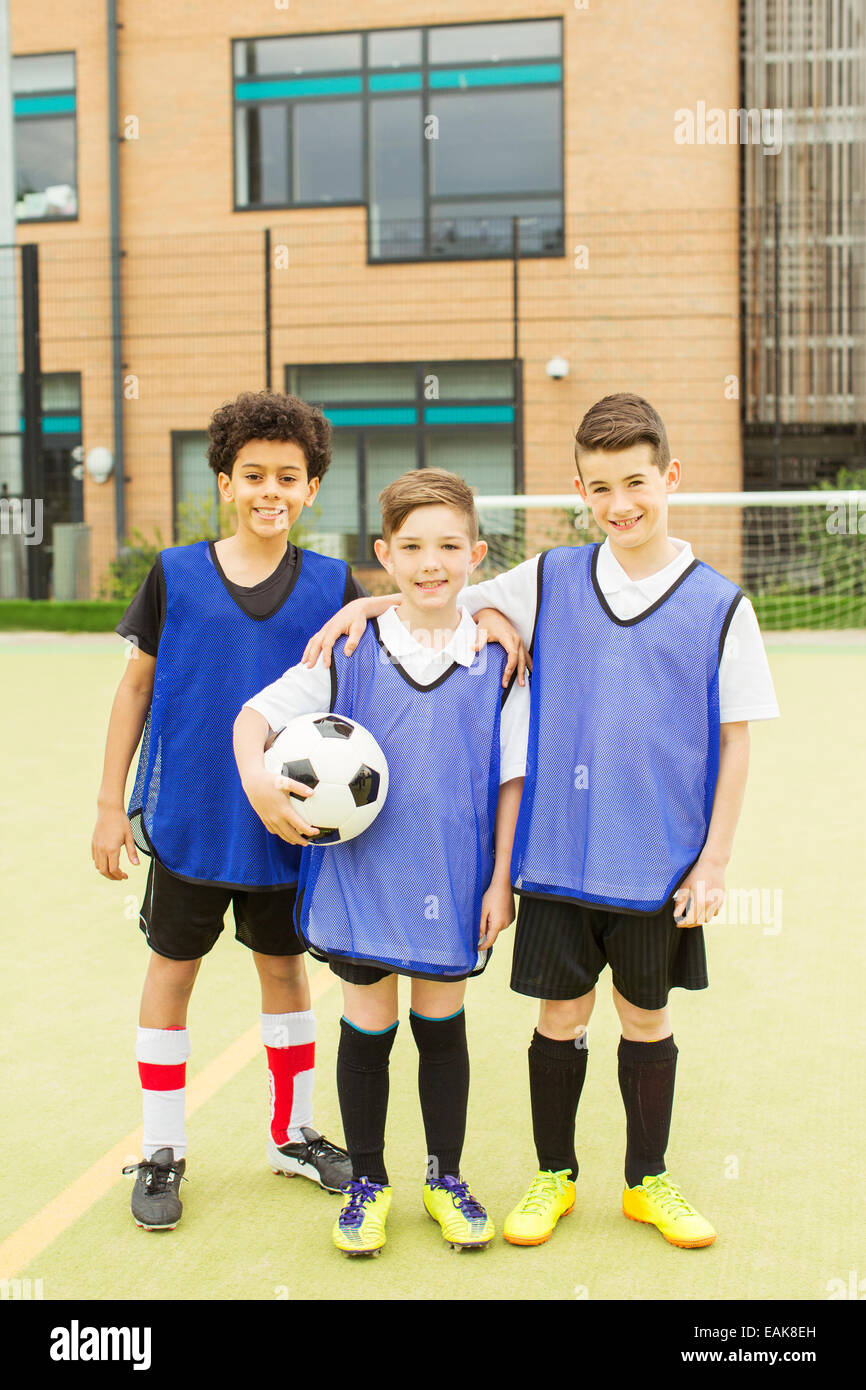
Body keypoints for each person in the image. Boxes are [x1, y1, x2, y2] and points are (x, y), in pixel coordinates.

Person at [301, 393, 780, 1251]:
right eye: (600, 488)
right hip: (556, 861)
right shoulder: (549, 578)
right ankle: (552, 1177)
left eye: (635, 482)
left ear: (670, 477)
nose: (620, 504)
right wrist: (365, 609)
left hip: (657, 864)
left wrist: (713, 863)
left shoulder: (720, 606)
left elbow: (735, 745)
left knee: (646, 1019)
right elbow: (437, 592)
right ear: (579, 491)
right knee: (558, 1021)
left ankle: (648, 1182)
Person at [234, 469, 528, 1256]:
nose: (431, 563)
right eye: (411, 548)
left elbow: (510, 779)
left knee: (442, 1026)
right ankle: (367, 1182)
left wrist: (501, 878)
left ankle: (445, 1178)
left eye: (447, 547)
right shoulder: (351, 647)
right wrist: (259, 784)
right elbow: (255, 716)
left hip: (454, 879)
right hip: (364, 879)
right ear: (384, 555)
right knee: (367, 1027)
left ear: (477, 554)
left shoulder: (498, 658)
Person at [91, 390, 361, 1231]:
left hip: (287, 827)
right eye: (253, 474)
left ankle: (293, 1135)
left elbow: (366, 676)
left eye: (289, 475)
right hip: (192, 821)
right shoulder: (175, 574)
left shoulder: (333, 584)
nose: (270, 489)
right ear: (225, 482)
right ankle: (163, 1146)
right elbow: (135, 687)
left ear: (312, 488)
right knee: (173, 971)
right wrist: (109, 806)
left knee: (285, 972)